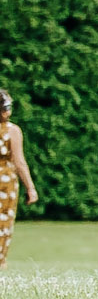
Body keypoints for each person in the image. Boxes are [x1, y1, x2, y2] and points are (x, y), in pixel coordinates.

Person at [0, 89, 38, 268]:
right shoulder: (12, 131)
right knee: (3, 223)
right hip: (4, 184)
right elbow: (19, 162)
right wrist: (30, 187)